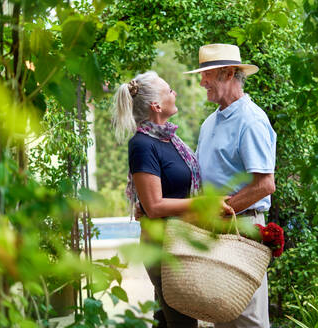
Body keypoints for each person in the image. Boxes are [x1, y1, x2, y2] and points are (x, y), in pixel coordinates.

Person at [185, 44, 277, 328]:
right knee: (223, 316)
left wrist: (220, 212)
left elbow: (265, 185)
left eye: (206, 75)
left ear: (227, 73)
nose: (201, 83)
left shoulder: (250, 120)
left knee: (247, 320)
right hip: (217, 230)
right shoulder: (209, 123)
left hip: (243, 230)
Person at [111, 71, 201, 328]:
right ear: (156, 105)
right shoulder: (142, 144)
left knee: (167, 320)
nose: (175, 93)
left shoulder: (170, 139)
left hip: (178, 242)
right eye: (169, 90)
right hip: (162, 248)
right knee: (182, 322)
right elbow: (154, 206)